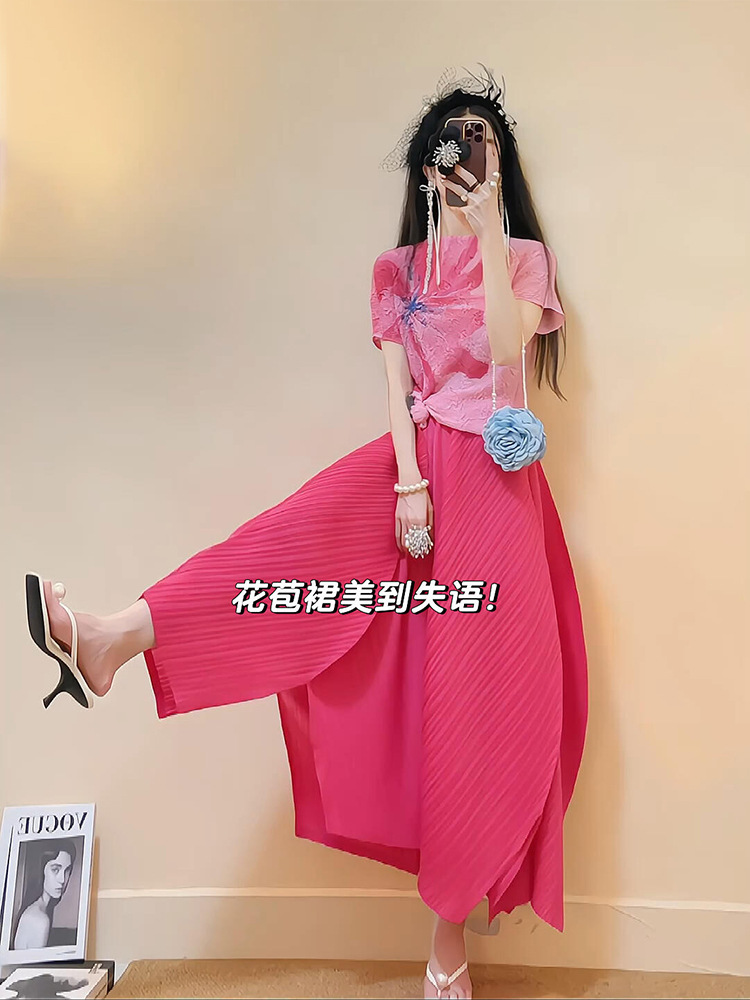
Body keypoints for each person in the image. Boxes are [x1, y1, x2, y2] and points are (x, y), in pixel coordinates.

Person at [25, 65, 588, 1000]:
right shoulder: (396, 274)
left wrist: (492, 230)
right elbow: (397, 391)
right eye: (453, 141)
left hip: (497, 495)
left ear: (500, 161)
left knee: (472, 702)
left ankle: (447, 942)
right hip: (418, 471)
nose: (467, 155)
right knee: (284, 548)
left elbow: (501, 349)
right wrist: (408, 484)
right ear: (427, 165)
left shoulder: (524, 257)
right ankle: (113, 636)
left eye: (482, 140)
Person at [11, 841, 77, 951]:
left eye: (67, 871)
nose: (62, 879)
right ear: (41, 870)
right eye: (55, 869)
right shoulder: (40, 920)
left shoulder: (37, 909)